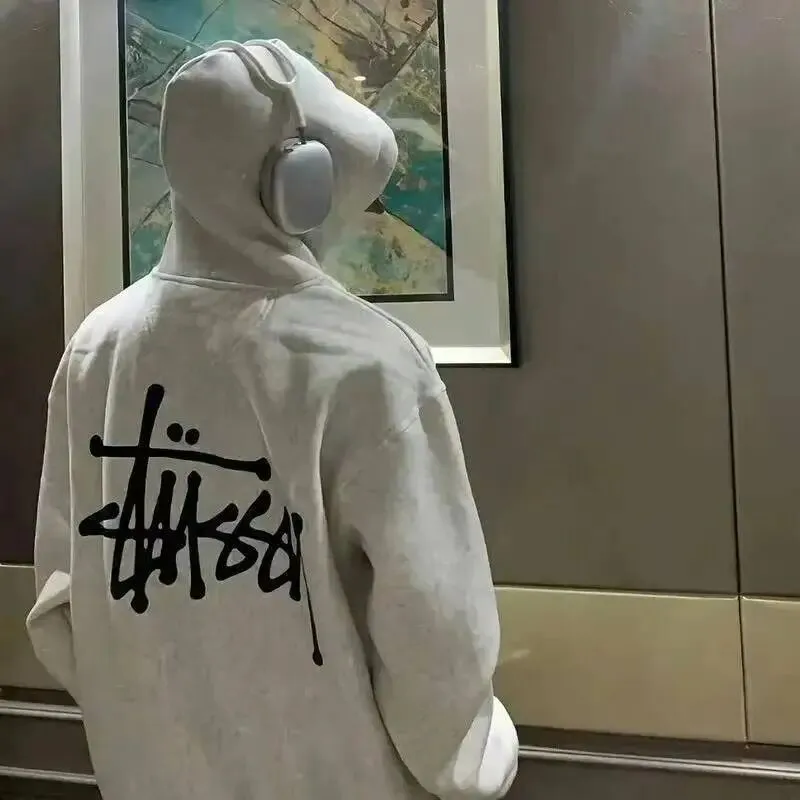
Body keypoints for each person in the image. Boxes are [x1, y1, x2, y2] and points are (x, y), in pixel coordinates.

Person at [27, 39, 518, 800]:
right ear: (300, 182)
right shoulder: (368, 363)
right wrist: (476, 762)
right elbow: (435, 638)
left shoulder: (96, 349)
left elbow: (61, 603)